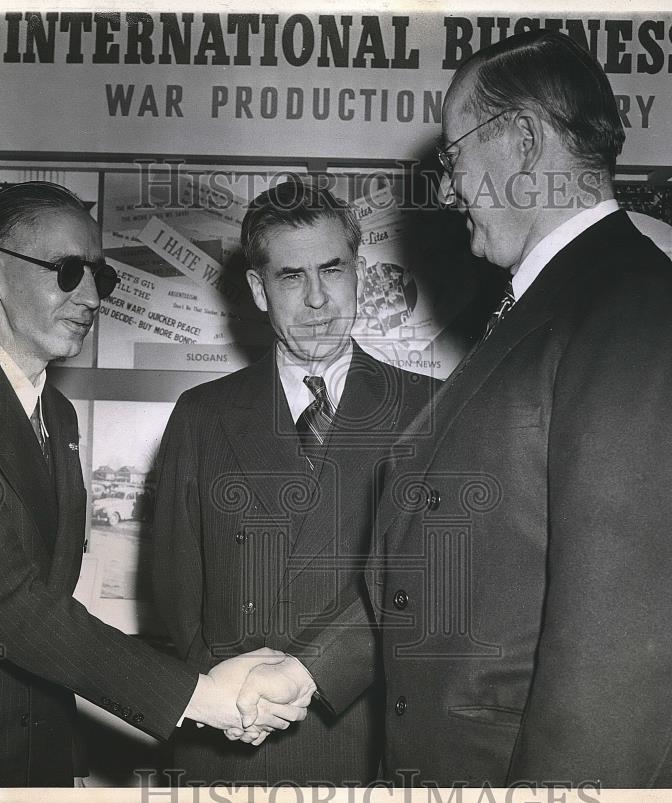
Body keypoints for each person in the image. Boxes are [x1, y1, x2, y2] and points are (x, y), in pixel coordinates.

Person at [274, 32, 672, 788]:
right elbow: (477, 562)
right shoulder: (550, 303)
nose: (447, 191)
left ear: (521, 141)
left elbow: (619, 650)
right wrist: (311, 672)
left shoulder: (635, 310)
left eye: (452, 160)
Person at [0, 181, 308, 788]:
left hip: (40, 759)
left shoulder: (58, 415)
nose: (90, 296)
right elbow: (4, 601)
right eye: (68, 270)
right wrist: (200, 696)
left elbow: (48, 606)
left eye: (100, 277)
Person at [151, 179, 440, 785]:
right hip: (234, 747)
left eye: (333, 270)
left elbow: (434, 590)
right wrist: (232, 708)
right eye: (290, 277)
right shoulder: (202, 415)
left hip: (374, 752)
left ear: (358, 271)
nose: (317, 299)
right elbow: (178, 595)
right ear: (258, 290)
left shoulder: (428, 410)